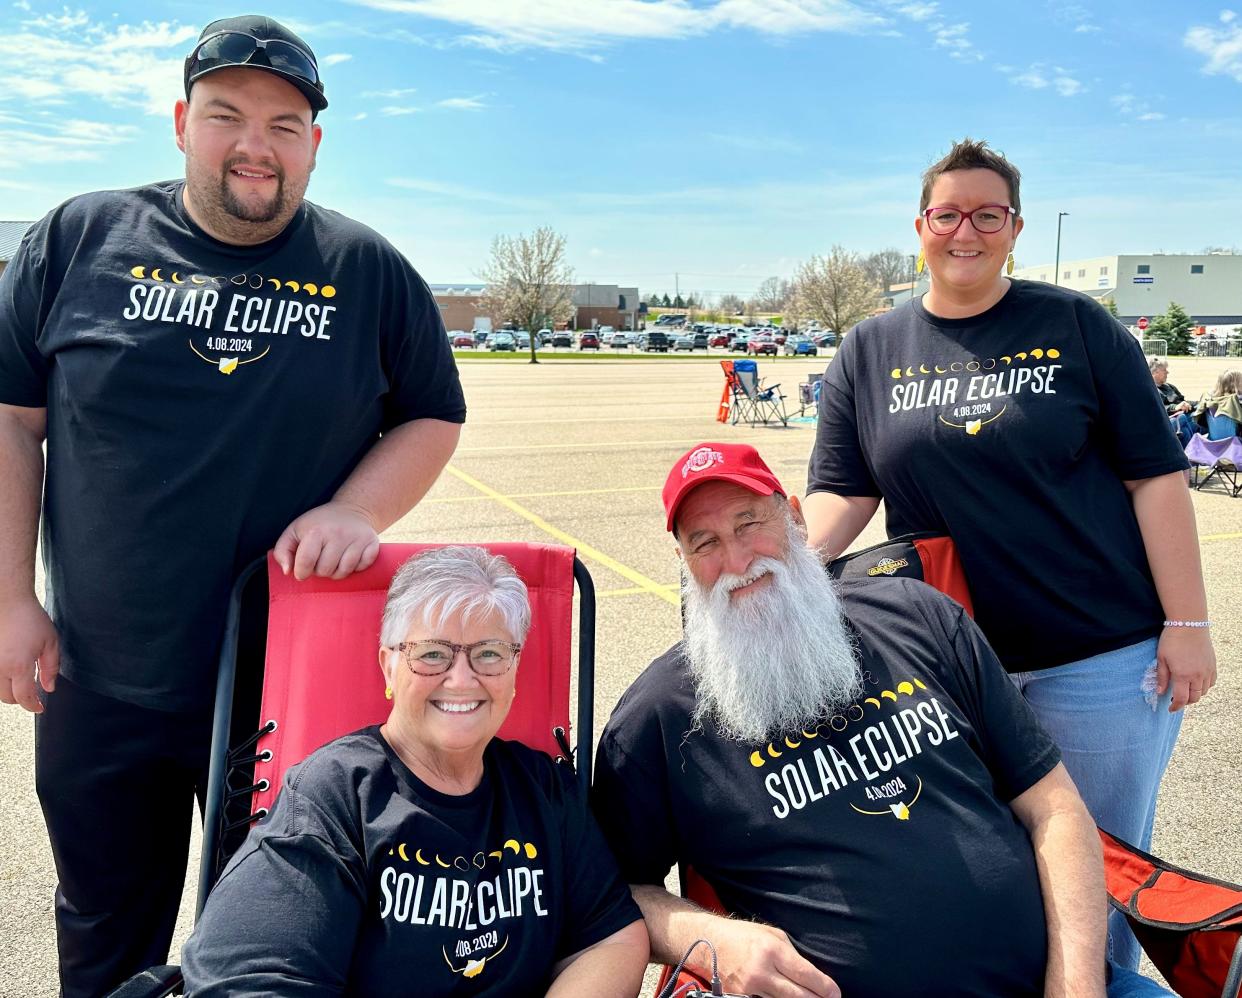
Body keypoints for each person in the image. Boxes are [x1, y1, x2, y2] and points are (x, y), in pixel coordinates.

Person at [0, 15, 465, 996]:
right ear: (181, 123)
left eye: (284, 125)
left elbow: (433, 415)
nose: (256, 144)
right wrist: (10, 598)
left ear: (315, 145)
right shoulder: (79, 239)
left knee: (271, 954)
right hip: (102, 679)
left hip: (289, 696)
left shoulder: (365, 270)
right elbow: (11, 422)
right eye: (227, 116)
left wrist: (357, 511)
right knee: (102, 942)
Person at [801, 139, 1216, 972]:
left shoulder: (1075, 325)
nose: (967, 231)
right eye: (948, 214)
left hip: (1096, 657)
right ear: (919, 226)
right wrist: (776, 572)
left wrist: (1188, 622)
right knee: (978, 872)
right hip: (947, 669)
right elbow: (844, 490)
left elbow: (1157, 480)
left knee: (1102, 876)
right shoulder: (870, 349)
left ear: (1015, 227)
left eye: (987, 215)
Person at [591, 442, 1172, 998]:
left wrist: (1076, 988)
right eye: (705, 542)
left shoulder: (918, 616)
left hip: (1067, 981)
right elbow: (610, 894)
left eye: (749, 524)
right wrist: (713, 940)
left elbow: (1056, 808)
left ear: (794, 519)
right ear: (684, 563)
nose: (737, 560)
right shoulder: (659, 717)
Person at [181, 546, 648, 997]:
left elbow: (610, 937)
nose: (462, 679)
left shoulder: (543, 787)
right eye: (431, 654)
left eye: (488, 653)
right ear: (388, 666)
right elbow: (251, 982)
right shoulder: (334, 798)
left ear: (514, 669)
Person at [1149, 358, 1198, 444]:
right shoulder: (1151, 390)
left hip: (1182, 417)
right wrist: (1175, 407)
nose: (1167, 372)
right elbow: (1159, 408)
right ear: (1155, 373)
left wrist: (1199, 403)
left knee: (1204, 411)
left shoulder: (1169, 386)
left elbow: (1183, 401)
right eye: (1164, 370)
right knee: (1182, 419)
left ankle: (1190, 452)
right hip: (1166, 422)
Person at [1194, 368, 1242, 436]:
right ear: (1237, 385)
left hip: (1213, 442)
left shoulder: (1209, 399)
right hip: (1235, 443)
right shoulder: (1235, 402)